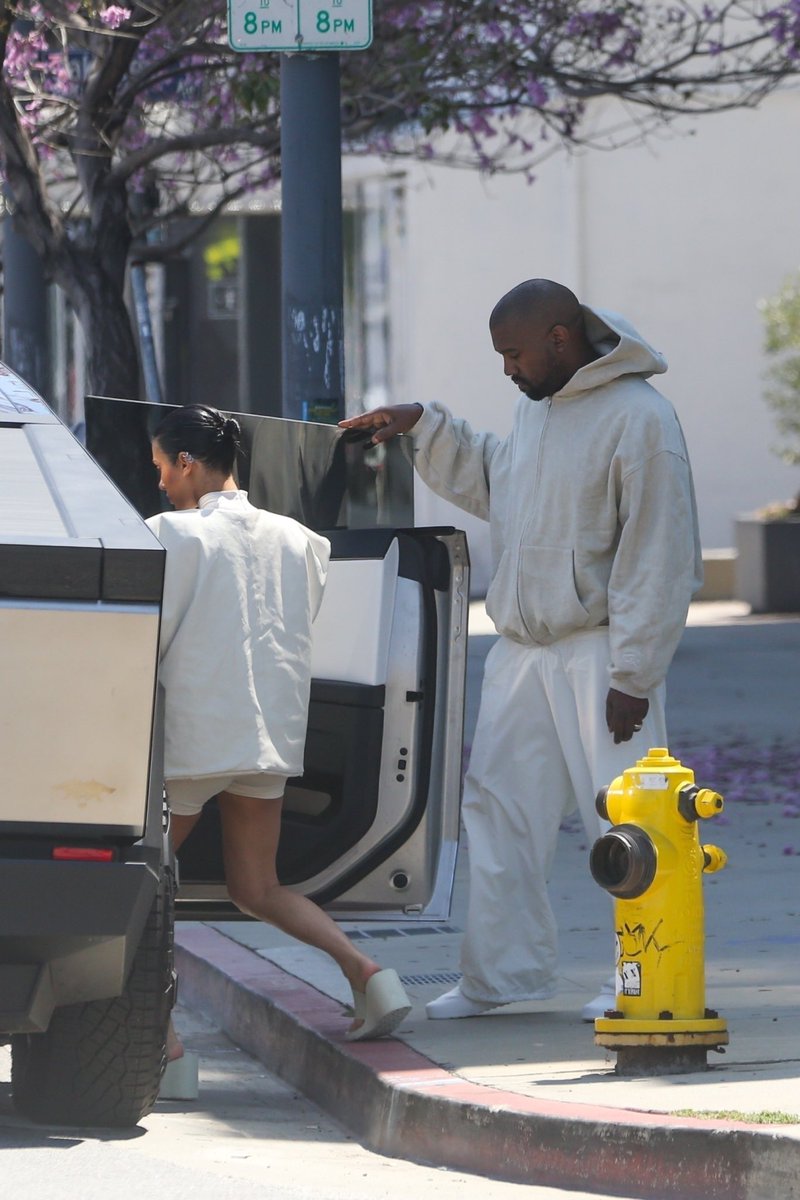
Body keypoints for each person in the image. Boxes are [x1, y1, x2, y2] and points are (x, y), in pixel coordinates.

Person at [339, 279, 702, 1022]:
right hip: (524, 649)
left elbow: (659, 552)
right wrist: (422, 424)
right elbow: (498, 477)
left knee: (629, 818)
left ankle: (645, 980)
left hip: (603, 652)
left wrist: (634, 672)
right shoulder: (536, 411)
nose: (508, 368)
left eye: (514, 353)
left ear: (560, 340)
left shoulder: (640, 418)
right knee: (498, 810)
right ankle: (501, 980)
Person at [146, 404, 411, 1053]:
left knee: (142, 889)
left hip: (196, 737)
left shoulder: (168, 535)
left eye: (160, 468)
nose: (159, 484)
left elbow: (146, 638)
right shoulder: (301, 539)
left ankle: (164, 1036)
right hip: (270, 737)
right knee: (258, 888)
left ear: (185, 463)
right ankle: (368, 974)